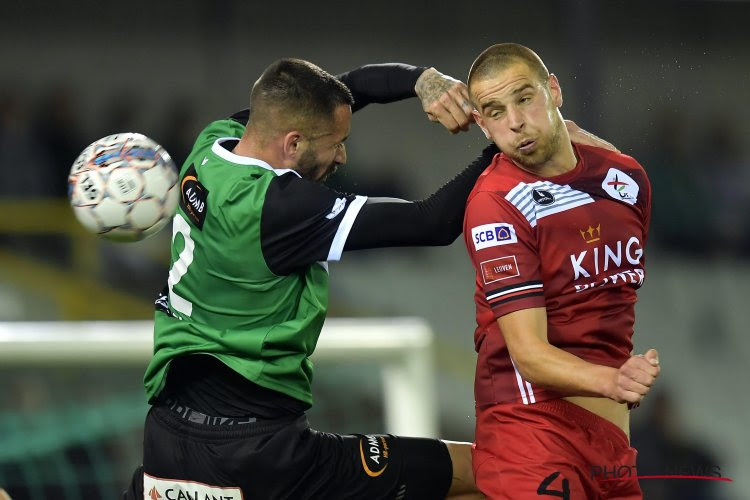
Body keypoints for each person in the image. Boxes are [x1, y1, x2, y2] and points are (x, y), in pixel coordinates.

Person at [124, 58, 613, 500]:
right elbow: (431, 222)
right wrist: (511, 142)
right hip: (264, 456)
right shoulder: (277, 208)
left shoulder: (213, 145)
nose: (342, 159)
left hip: (168, 439)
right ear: (292, 144)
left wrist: (419, 81)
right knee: (489, 470)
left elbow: (345, 89)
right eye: (337, 145)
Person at [462, 43, 660, 499]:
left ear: (554, 90)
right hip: (531, 430)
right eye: (495, 111)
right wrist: (614, 380)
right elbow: (529, 354)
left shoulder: (628, 181)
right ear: (481, 124)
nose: (514, 121)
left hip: (611, 446)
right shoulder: (496, 205)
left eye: (525, 98)